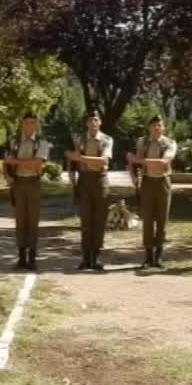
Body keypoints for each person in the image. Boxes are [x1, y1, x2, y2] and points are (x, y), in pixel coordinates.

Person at [127, 115, 176, 269]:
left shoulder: (170, 143)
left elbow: (164, 162)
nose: (156, 128)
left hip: (163, 182)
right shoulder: (142, 142)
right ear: (149, 127)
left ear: (163, 127)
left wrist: (139, 161)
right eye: (153, 125)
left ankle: (159, 255)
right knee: (147, 220)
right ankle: (148, 256)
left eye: (159, 125)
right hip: (147, 181)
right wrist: (134, 175)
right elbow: (129, 160)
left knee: (162, 220)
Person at [67, 109, 113, 271]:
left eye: (96, 120)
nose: (93, 123)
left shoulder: (106, 139)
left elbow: (103, 161)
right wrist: (73, 172)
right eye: (90, 120)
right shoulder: (78, 138)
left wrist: (81, 158)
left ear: (100, 122)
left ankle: (96, 257)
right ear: (86, 123)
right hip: (84, 180)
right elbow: (70, 159)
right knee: (86, 220)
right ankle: (86, 257)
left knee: (99, 219)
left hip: (100, 180)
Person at [3, 112, 50, 271]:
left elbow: (37, 165)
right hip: (18, 183)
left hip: (34, 183)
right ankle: (21, 256)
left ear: (36, 124)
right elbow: (6, 162)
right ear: (22, 124)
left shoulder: (41, 143)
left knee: (33, 220)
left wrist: (16, 162)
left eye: (33, 122)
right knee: (20, 220)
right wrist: (7, 175)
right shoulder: (13, 141)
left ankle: (32, 257)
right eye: (27, 122)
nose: (29, 125)